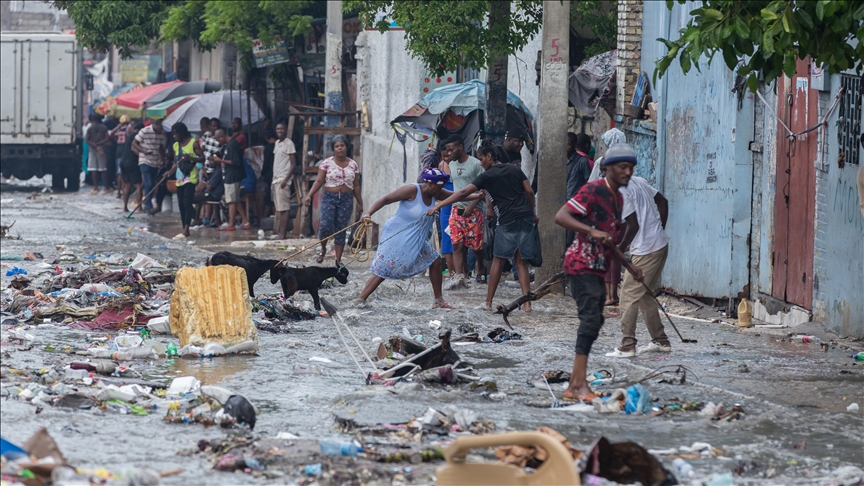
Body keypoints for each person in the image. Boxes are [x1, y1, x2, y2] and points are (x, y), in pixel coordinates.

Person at [554, 143, 644, 402]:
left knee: (595, 321)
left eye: (630, 168)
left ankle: (576, 383)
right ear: (607, 169)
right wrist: (590, 231)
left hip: (598, 267)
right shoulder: (593, 190)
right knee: (591, 320)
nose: (628, 172)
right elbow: (561, 216)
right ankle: (577, 385)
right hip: (580, 264)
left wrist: (629, 265)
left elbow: (610, 241)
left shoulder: (618, 198)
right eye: (622, 167)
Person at [428, 140, 538, 311]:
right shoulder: (515, 169)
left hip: (506, 220)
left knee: (498, 261)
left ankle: (488, 303)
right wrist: (533, 213)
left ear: (489, 156)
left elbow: (463, 192)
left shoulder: (487, 176)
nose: (480, 163)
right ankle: (527, 305)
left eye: (481, 159)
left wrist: (438, 205)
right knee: (521, 261)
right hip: (525, 218)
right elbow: (529, 191)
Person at [359, 168, 477, 309]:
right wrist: (368, 213)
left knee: (435, 260)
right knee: (385, 267)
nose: (439, 192)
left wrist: (477, 196)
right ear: (429, 183)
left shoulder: (436, 192)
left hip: (417, 237)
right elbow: (385, 200)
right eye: (438, 188)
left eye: (441, 189)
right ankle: (361, 299)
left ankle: (438, 301)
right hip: (398, 234)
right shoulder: (412, 190)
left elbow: (457, 196)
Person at [606, 174, 671, 357]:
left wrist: (619, 248)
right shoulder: (639, 181)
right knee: (645, 295)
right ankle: (660, 340)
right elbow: (662, 201)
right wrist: (659, 229)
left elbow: (632, 225)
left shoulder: (622, 190)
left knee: (627, 296)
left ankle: (627, 346)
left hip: (647, 249)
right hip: (657, 244)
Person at [304, 135, 363, 265]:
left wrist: (360, 203)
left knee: (341, 229)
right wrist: (309, 195)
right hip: (329, 198)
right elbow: (319, 181)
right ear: (333, 149)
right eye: (337, 146)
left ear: (347, 147)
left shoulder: (353, 165)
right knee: (325, 226)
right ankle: (323, 249)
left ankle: (338, 259)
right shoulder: (326, 163)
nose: (340, 148)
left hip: (346, 200)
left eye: (342, 145)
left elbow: (356, 185)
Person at [444, 135, 485, 289]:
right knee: (457, 244)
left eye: (451, 149)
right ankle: (459, 276)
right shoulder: (451, 165)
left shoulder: (475, 164)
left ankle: (480, 267)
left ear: (460, 147)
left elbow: (483, 187)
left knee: (476, 246)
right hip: (456, 210)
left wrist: (472, 205)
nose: (449, 153)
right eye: (447, 150)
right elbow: (456, 188)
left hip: (474, 211)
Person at [169, 122, 204, 238]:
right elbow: (175, 163)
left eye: (176, 134)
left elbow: (202, 158)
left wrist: (191, 158)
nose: (175, 136)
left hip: (190, 178)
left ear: (182, 132)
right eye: (173, 134)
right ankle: (185, 228)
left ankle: (187, 228)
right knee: (181, 204)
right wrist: (169, 172)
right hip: (179, 178)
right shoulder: (176, 146)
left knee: (187, 202)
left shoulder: (193, 143)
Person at [211, 129, 251, 230]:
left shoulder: (232, 145)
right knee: (235, 199)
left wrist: (221, 160)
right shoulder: (228, 145)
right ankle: (245, 221)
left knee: (231, 200)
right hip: (229, 174)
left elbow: (235, 161)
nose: (218, 142)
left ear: (222, 137)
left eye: (218, 140)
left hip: (233, 175)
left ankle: (231, 223)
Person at [132, 119, 167, 212]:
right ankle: (148, 206)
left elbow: (161, 147)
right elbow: (134, 143)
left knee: (153, 184)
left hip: (155, 161)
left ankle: (149, 203)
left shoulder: (161, 133)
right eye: (160, 126)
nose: (161, 128)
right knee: (149, 183)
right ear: (155, 125)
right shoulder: (145, 131)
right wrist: (143, 150)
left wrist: (163, 159)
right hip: (144, 160)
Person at [272, 123, 296, 240]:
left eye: (281, 128)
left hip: (282, 180)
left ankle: (282, 235)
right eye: (278, 128)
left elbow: (293, 164)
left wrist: (285, 180)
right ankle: (280, 234)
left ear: (286, 130)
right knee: (280, 209)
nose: (279, 130)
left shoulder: (289, 143)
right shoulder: (277, 143)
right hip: (276, 180)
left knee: (284, 208)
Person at [119, 121, 144, 212]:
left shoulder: (130, 135)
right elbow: (134, 149)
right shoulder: (138, 137)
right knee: (138, 186)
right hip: (132, 162)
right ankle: (139, 208)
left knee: (127, 186)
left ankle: (125, 207)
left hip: (123, 161)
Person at [85, 114, 112, 195]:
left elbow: (87, 139)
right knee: (103, 168)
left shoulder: (90, 128)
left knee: (94, 169)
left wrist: (94, 144)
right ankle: (106, 187)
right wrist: (99, 144)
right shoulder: (104, 127)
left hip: (92, 150)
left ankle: (95, 187)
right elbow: (106, 138)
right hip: (102, 149)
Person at [566, 133, 593, 199]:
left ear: (574, 145)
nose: (566, 147)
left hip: (575, 201)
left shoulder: (582, 161)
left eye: (568, 144)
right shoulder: (561, 161)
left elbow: (588, 183)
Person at [110, 115, 131, 197]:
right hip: (125, 152)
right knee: (124, 173)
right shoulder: (128, 129)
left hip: (118, 151)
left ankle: (119, 191)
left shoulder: (119, 129)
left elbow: (111, 133)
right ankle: (123, 190)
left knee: (119, 173)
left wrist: (117, 142)